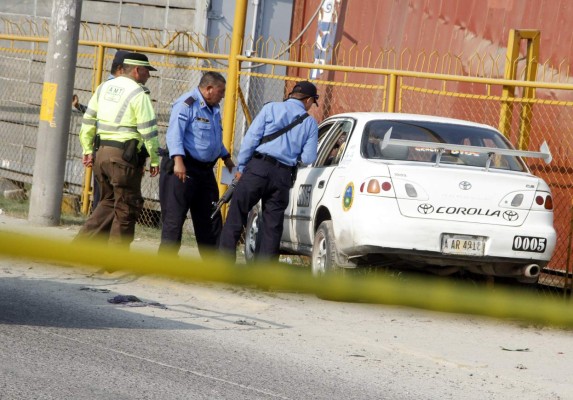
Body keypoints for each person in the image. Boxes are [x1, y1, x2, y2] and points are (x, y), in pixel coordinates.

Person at [219, 81, 319, 262]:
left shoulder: (270, 109)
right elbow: (309, 158)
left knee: (237, 214)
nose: (311, 106)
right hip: (282, 176)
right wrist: (292, 156)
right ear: (309, 100)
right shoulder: (310, 123)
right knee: (272, 226)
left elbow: (251, 139)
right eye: (312, 102)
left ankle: (223, 265)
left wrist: (241, 167)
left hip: (257, 168)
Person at [75, 52, 161, 247]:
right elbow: (149, 131)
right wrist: (155, 159)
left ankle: (79, 247)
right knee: (126, 208)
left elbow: (88, 120)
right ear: (138, 70)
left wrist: (87, 149)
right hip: (123, 159)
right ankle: (115, 259)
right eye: (147, 71)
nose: (149, 76)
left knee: (107, 202)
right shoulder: (139, 94)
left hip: (101, 155)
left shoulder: (103, 88)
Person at [159, 72, 235, 257]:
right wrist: (178, 161)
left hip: (205, 171)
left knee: (211, 217)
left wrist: (226, 158)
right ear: (209, 89)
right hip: (183, 168)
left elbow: (212, 139)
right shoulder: (187, 104)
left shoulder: (213, 108)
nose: (223, 95)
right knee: (174, 218)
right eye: (221, 91)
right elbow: (175, 134)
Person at [73, 50, 129, 212]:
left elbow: (96, 114)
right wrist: (88, 149)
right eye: (130, 69)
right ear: (120, 69)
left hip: (112, 152)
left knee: (107, 197)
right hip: (107, 151)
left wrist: (79, 106)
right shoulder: (110, 88)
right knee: (104, 198)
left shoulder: (109, 88)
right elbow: (94, 118)